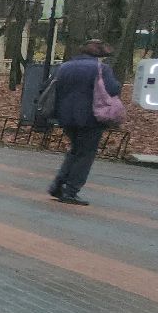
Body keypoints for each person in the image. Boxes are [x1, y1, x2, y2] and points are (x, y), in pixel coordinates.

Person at [46, 39, 122, 205]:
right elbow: (114, 89)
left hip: (65, 116)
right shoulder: (101, 68)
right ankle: (71, 190)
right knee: (85, 154)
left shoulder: (64, 67)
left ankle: (58, 185)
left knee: (75, 150)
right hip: (91, 118)